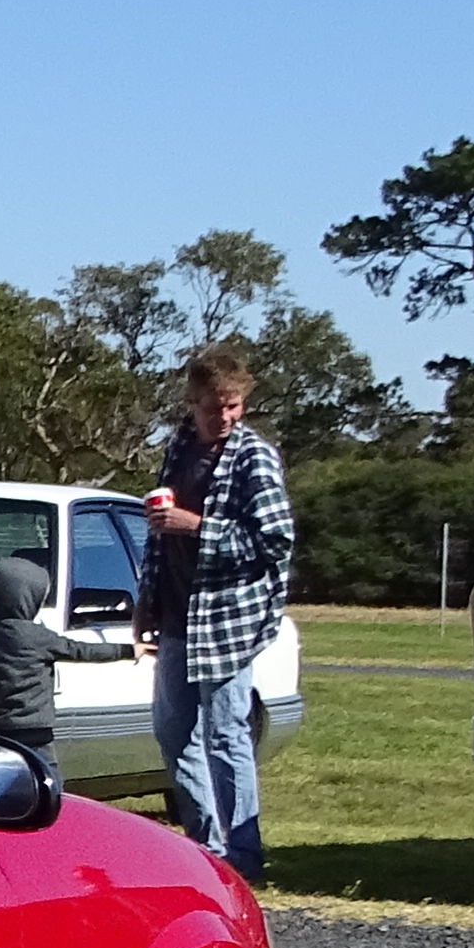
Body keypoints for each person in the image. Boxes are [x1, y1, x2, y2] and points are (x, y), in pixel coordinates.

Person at [144, 342, 291, 875]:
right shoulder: (179, 449)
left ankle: (244, 855)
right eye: (214, 406)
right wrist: (147, 603)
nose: (224, 417)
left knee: (225, 732)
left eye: (233, 405)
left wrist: (199, 527)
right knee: (173, 732)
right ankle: (207, 846)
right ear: (192, 401)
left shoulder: (254, 456)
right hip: (179, 614)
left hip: (227, 619)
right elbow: (158, 539)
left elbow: (274, 538)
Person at [0, 550, 126, 753]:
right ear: (31, 598)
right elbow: (83, 651)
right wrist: (127, 650)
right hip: (35, 732)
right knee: (46, 778)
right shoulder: (39, 637)